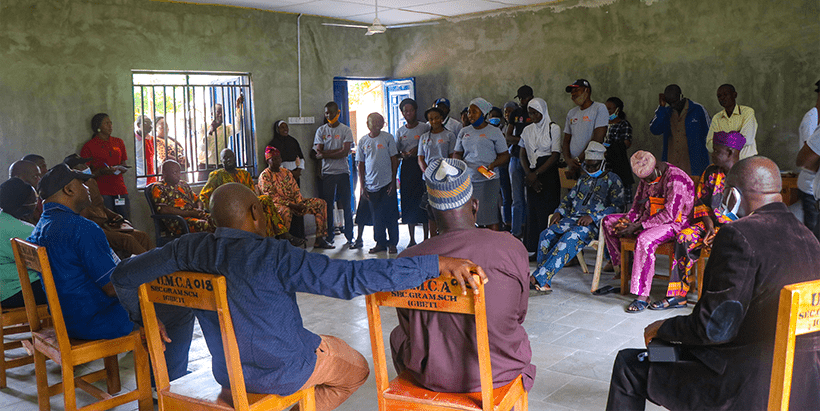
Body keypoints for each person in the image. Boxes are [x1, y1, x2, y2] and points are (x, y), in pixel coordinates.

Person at [111, 182, 487, 410]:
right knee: (356, 369)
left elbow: (122, 276)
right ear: (257, 212)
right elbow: (350, 279)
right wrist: (431, 264)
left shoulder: (189, 249)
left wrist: (146, 319)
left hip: (228, 373)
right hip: (287, 372)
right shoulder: (273, 253)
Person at [606, 156, 820, 411]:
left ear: (732, 195)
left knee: (630, 365)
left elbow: (714, 328)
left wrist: (663, 327)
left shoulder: (738, 235)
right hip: (806, 385)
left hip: (747, 385)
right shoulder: (808, 236)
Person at [28, 163, 194, 380]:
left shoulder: (40, 227)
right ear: (68, 190)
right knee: (180, 307)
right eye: (82, 183)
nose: (88, 187)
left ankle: (163, 372)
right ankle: (166, 382)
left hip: (66, 319)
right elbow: (113, 287)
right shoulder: (82, 228)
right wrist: (145, 290)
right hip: (96, 321)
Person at [391, 158, 535, 393]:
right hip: (500, 372)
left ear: (430, 212)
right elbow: (519, 314)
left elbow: (407, 326)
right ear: (475, 206)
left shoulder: (407, 260)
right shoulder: (511, 247)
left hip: (433, 376)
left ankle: (422, 398)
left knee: (399, 336)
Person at [649, 132, 744, 310]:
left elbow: (750, 213)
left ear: (730, 152)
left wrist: (724, 232)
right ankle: (678, 295)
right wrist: (709, 227)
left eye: (717, 151)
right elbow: (700, 201)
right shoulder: (710, 172)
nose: (712, 154)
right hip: (710, 225)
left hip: (738, 229)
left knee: (730, 248)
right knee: (683, 238)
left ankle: (723, 300)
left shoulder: (747, 176)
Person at [601, 151, 695, 312]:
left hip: (677, 223)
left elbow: (670, 214)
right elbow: (637, 205)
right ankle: (626, 269)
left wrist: (639, 226)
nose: (645, 182)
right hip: (649, 218)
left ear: (657, 167)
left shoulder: (675, 178)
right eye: (642, 179)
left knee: (645, 240)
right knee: (608, 222)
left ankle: (642, 296)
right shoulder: (647, 177)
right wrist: (627, 221)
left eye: (648, 178)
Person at [530, 142, 625, 294]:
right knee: (546, 235)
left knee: (570, 237)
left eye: (594, 166)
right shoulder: (583, 180)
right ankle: (544, 281)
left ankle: (538, 279)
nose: (591, 169)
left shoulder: (614, 180)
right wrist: (559, 211)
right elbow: (569, 199)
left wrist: (593, 217)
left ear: (603, 163)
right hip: (572, 219)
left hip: (595, 225)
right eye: (588, 166)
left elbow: (618, 208)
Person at [62, 154, 152, 257]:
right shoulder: (72, 191)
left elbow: (100, 206)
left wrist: (114, 216)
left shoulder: (91, 182)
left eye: (85, 164)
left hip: (107, 224)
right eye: (81, 165)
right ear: (72, 170)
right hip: (95, 229)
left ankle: (161, 265)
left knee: (142, 236)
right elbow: (84, 220)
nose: (86, 167)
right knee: (128, 240)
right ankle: (151, 266)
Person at [258, 146, 334, 249]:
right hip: (279, 206)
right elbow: (271, 198)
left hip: (295, 203)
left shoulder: (286, 172)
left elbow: (295, 189)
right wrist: (291, 204)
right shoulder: (265, 176)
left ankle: (320, 240)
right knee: (285, 211)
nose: (277, 161)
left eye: (279, 158)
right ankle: (284, 244)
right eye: (274, 159)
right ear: (268, 160)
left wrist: (299, 203)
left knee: (321, 204)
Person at [454, 98, 510, 231]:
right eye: (469, 112)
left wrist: (492, 165)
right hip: (468, 179)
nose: (470, 115)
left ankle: (492, 247)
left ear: (483, 113)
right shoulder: (464, 132)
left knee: (490, 215)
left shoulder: (494, 132)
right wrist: (460, 164)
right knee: (470, 216)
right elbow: (457, 153)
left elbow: (505, 155)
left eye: (474, 112)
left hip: (489, 178)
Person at [519, 98, 562, 252]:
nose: (533, 116)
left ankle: (549, 248)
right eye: (531, 113)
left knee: (548, 210)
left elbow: (555, 154)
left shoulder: (554, 128)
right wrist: (529, 175)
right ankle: (533, 248)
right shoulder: (527, 130)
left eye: (536, 113)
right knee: (533, 211)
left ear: (543, 111)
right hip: (531, 172)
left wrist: (536, 173)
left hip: (548, 172)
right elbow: (522, 154)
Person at [0, 177, 47, 307]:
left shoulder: (3, 220)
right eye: (34, 199)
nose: (37, 203)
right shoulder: (21, 229)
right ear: (25, 204)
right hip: (16, 292)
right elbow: (50, 261)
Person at [356, 113, 399, 254]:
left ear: (383, 124)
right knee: (377, 217)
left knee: (391, 215)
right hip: (370, 185)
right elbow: (361, 165)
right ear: (367, 124)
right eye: (372, 122)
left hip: (387, 183)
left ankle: (393, 243)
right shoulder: (363, 141)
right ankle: (380, 243)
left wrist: (393, 181)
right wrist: (362, 186)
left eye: (378, 122)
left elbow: (394, 160)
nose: (375, 124)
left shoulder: (388, 138)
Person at [314, 101, 355, 247]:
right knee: (328, 206)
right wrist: (331, 153)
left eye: (332, 112)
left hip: (343, 172)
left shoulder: (345, 130)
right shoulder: (321, 131)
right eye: (326, 113)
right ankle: (330, 236)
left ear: (338, 112)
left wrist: (325, 154)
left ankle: (350, 236)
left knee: (346, 204)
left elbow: (344, 152)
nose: (329, 115)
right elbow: (318, 153)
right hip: (328, 173)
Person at [648, 84, 711, 176]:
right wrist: (661, 107)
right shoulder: (666, 112)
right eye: (670, 102)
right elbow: (655, 129)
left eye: (675, 101)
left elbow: (710, 133)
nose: (673, 105)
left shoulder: (698, 110)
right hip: (672, 167)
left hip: (694, 168)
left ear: (681, 96)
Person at [81, 113, 131, 219]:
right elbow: (85, 174)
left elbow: (124, 163)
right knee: (108, 221)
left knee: (125, 219)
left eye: (111, 123)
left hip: (119, 189)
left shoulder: (118, 142)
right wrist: (101, 171)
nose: (110, 126)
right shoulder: (89, 146)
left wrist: (121, 168)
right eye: (106, 123)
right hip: (102, 191)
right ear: (98, 127)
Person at [395, 98, 430, 247]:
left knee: (423, 201)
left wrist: (417, 150)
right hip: (407, 167)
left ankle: (426, 238)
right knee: (408, 201)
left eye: (411, 110)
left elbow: (430, 143)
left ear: (416, 111)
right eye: (405, 111)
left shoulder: (424, 128)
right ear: (402, 113)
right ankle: (411, 239)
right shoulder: (400, 131)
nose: (408, 113)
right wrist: (403, 154)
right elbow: (396, 152)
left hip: (421, 166)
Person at [418, 107, 457, 238]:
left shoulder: (449, 135)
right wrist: (427, 172)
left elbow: (452, 157)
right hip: (428, 179)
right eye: (430, 119)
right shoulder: (424, 137)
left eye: (436, 118)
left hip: (445, 178)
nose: (433, 121)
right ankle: (433, 238)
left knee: (445, 208)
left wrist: (444, 174)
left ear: (442, 119)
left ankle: (446, 237)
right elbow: (421, 158)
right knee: (431, 209)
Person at [151, 160, 215, 235]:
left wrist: (199, 210)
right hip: (179, 221)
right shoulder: (159, 187)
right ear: (164, 173)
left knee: (218, 220)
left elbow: (198, 200)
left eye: (179, 172)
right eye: (174, 172)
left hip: (194, 215)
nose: (178, 175)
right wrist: (190, 213)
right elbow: (163, 209)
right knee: (205, 225)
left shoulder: (183, 184)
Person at [563, 79, 609, 178]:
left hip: (592, 165)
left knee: (591, 192)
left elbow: (598, 138)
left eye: (576, 90)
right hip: (573, 167)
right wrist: (568, 161)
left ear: (586, 91)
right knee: (573, 193)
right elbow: (566, 140)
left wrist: (578, 161)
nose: (573, 95)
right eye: (571, 92)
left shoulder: (599, 108)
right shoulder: (571, 113)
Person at [505, 86, 534, 239]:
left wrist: (525, 142)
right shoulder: (516, 113)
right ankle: (515, 233)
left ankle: (530, 232)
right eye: (520, 98)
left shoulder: (536, 111)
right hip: (516, 158)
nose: (523, 101)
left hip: (533, 160)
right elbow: (508, 136)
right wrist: (524, 141)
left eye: (525, 97)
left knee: (531, 198)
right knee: (517, 199)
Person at [706, 84, 758, 159]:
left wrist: (720, 138)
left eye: (725, 94)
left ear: (734, 95)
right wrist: (736, 135)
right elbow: (709, 145)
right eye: (719, 96)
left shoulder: (747, 112)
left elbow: (747, 140)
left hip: (746, 161)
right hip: (726, 164)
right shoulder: (717, 118)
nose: (722, 98)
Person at [796, 79, 820, 235]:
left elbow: (806, 159)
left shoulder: (747, 114)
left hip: (812, 186)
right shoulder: (812, 117)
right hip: (810, 187)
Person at [604, 97, 635, 201]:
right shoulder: (603, 125)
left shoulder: (623, 124)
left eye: (610, 109)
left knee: (621, 196)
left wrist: (608, 148)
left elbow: (626, 143)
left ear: (618, 110)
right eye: (605, 109)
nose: (607, 112)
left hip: (618, 164)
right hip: (605, 166)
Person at [134, 114, 156, 184]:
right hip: (140, 178)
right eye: (146, 123)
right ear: (138, 125)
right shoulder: (134, 140)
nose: (149, 126)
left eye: (150, 124)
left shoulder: (151, 139)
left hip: (151, 177)